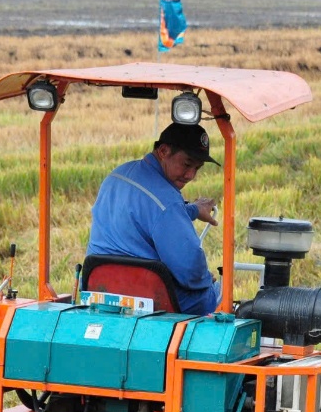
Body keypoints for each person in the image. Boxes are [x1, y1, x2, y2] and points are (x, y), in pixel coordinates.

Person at [85, 122, 222, 315]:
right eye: (187, 164)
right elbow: (189, 269)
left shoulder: (118, 176)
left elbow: (148, 212)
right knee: (217, 296)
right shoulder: (167, 201)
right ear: (164, 151)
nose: (191, 175)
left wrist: (192, 210)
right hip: (146, 298)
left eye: (197, 168)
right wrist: (206, 278)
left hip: (100, 291)